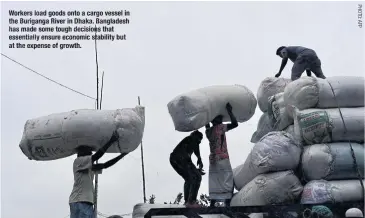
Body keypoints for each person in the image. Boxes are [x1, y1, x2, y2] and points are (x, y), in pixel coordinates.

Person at [69, 131, 128, 218]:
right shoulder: (78, 162)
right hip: (79, 201)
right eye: (88, 151)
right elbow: (97, 156)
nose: (90, 152)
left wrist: (122, 155)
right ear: (81, 153)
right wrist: (111, 140)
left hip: (87, 202)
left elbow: (105, 165)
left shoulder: (88, 166)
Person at [205, 103, 238, 207]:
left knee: (215, 180)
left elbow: (206, 124)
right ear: (216, 121)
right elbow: (235, 124)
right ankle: (227, 201)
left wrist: (206, 116)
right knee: (228, 178)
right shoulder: (220, 127)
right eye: (219, 118)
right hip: (223, 158)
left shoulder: (208, 131)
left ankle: (213, 202)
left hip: (213, 160)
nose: (222, 120)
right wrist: (229, 111)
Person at [170, 130, 205, 208]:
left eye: (201, 140)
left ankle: (189, 202)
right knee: (194, 177)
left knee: (193, 178)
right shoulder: (190, 139)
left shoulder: (193, 141)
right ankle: (190, 201)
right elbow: (186, 156)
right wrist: (194, 169)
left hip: (178, 160)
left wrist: (199, 159)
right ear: (195, 136)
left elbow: (196, 151)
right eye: (199, 139)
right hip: (178, 159)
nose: (199, 141)